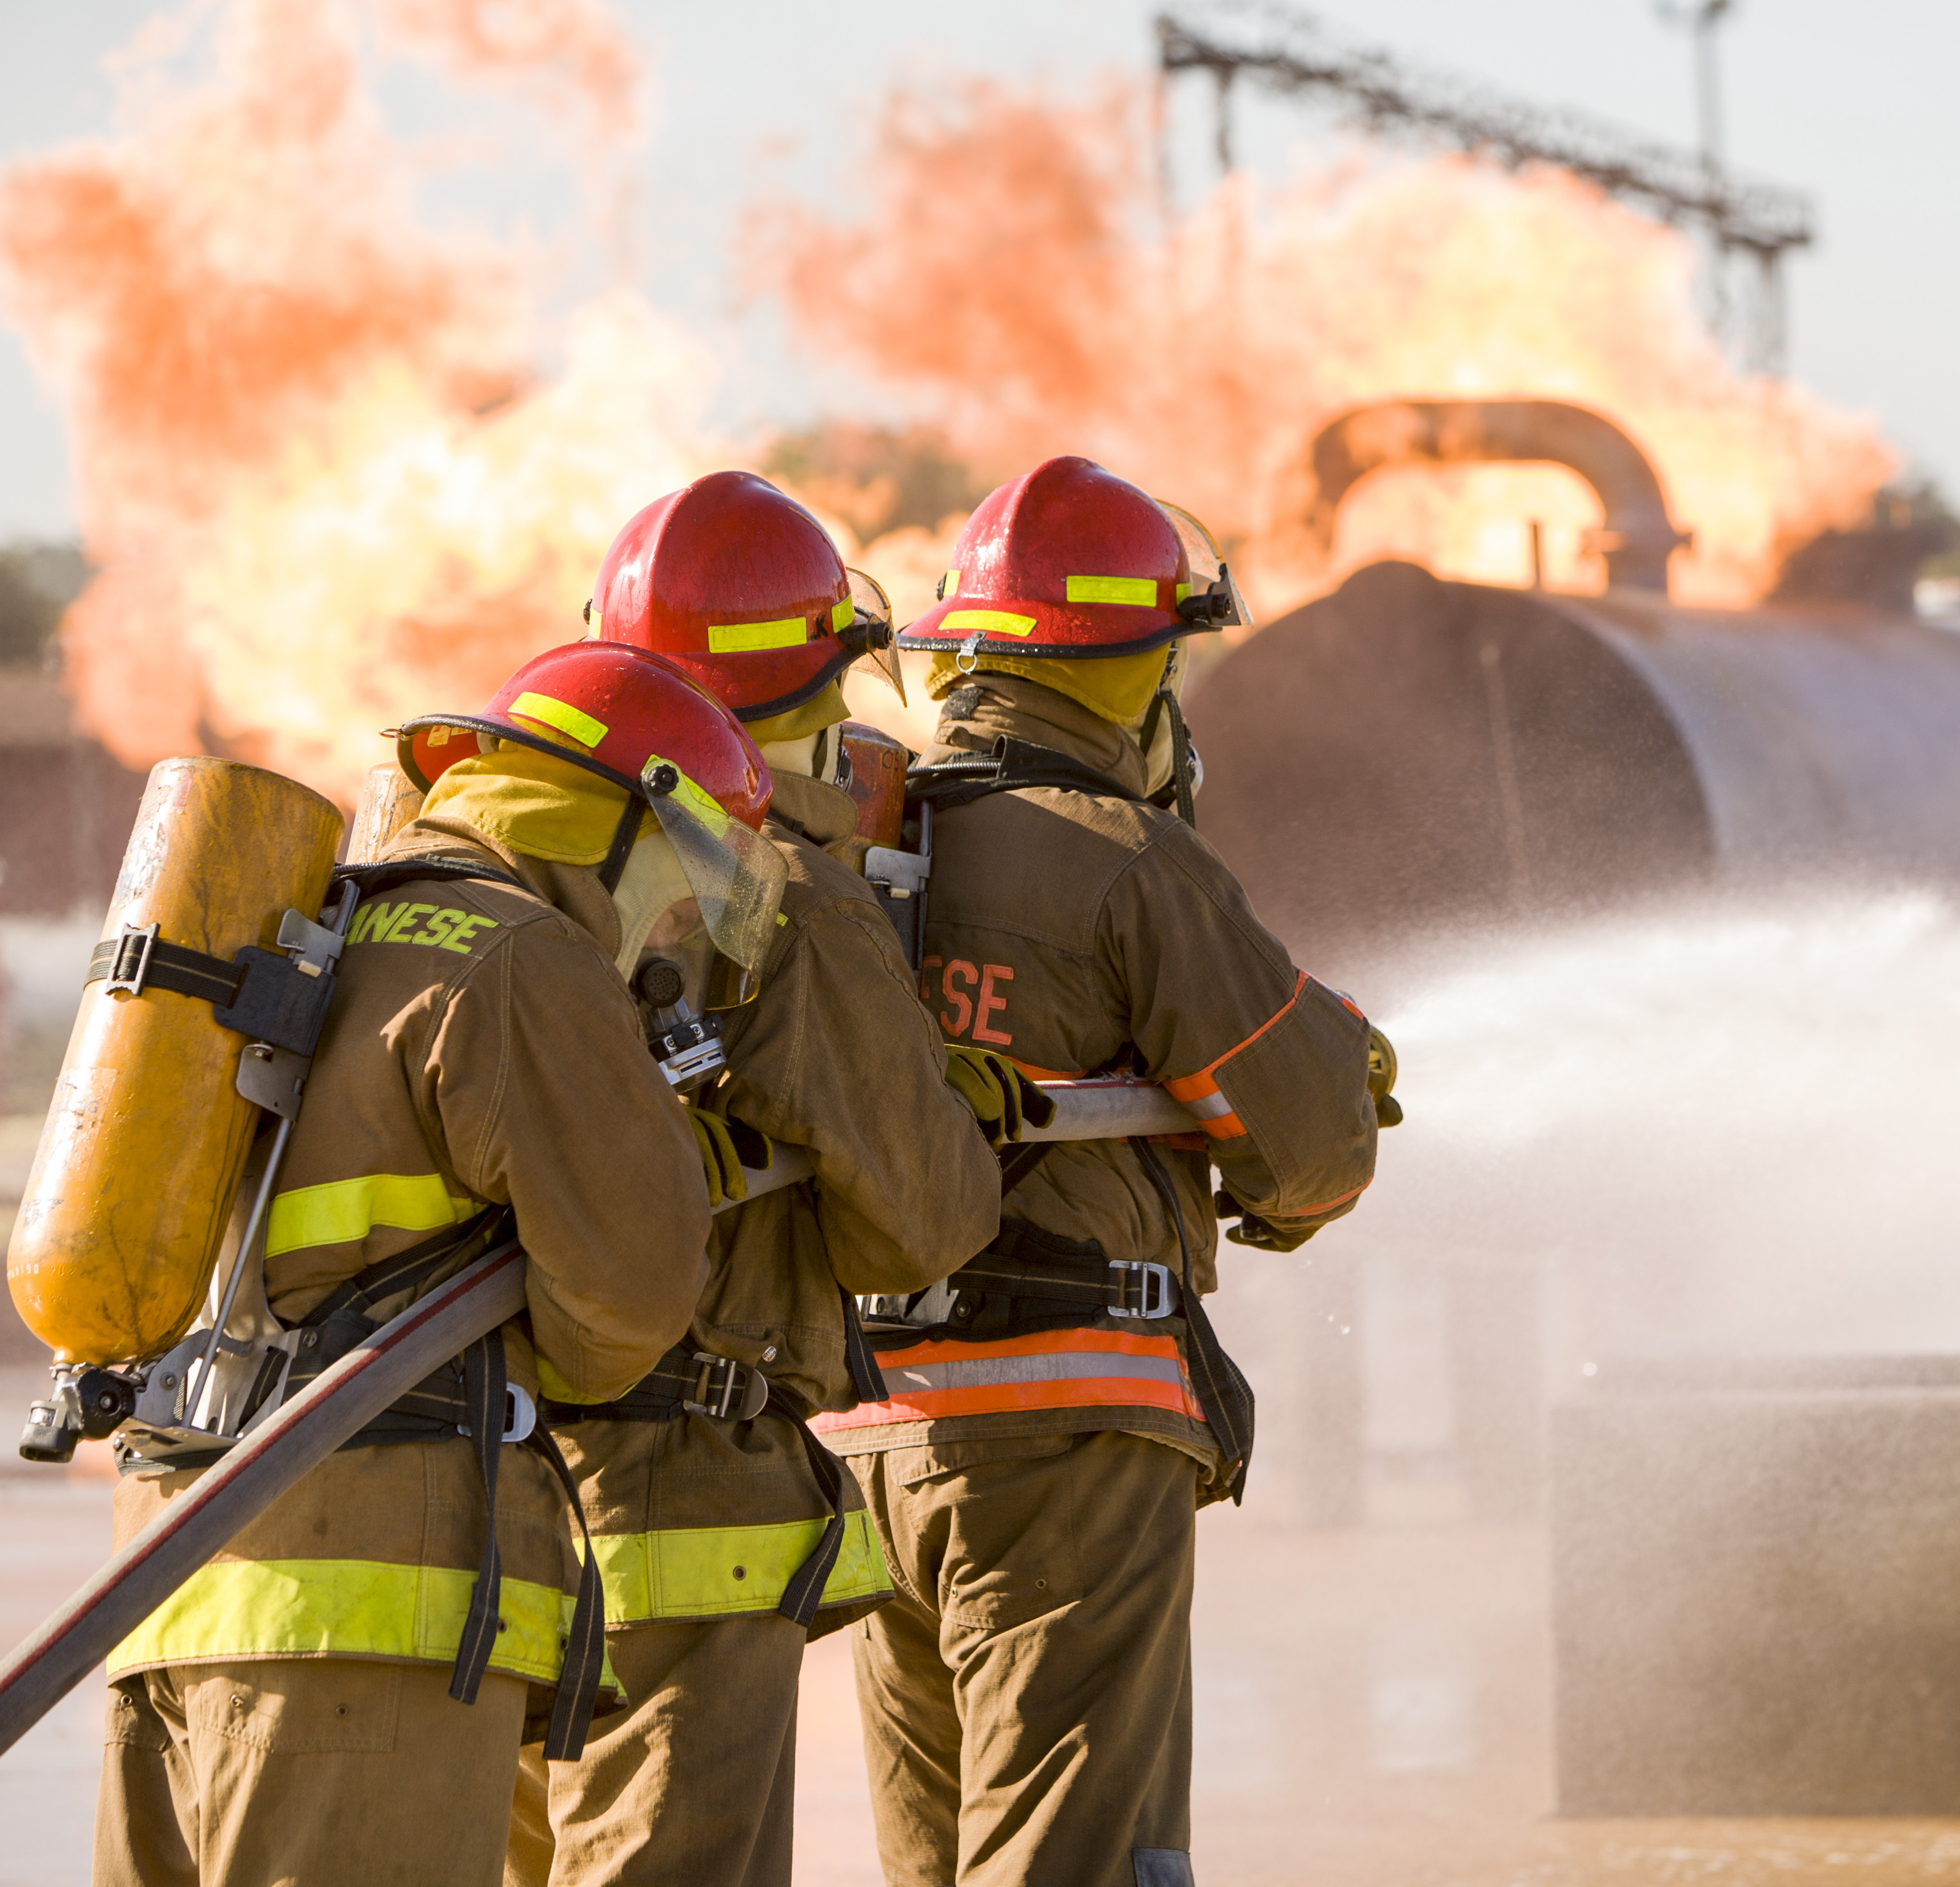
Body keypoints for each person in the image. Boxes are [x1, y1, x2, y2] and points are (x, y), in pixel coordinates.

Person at [96, 642, 768, 1887]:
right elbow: (626, 1304)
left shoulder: (325, 919)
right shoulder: (523, 957)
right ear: (617, 828)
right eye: (686, 879)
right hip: (367, 1606)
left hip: (179, 1569)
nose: (678, 923)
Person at [818, 455, 1388, 1887]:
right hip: (1070, 1426)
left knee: (938, 1858)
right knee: (1077, 1852)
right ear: (1131, 674)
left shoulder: (861, 849)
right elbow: (1313, 1152)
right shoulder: (1128, 857)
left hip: (873, 1431)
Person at [495, 472, 1007, 1887]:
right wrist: (934, 1099)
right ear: (818, 680)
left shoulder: (510, 843)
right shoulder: (787, 884)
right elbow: (923, 1220)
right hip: (681, 1491)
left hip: (480, 1485)